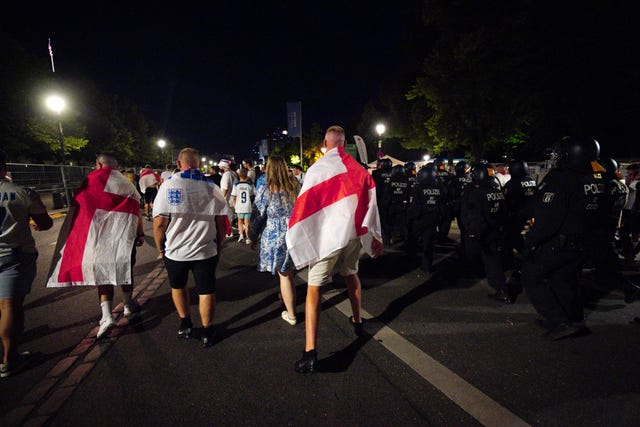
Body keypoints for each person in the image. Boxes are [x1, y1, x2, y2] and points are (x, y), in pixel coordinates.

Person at [286, 125, 383, 374]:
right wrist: (374, 235)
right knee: (351, 274)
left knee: (314, 287)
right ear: (344, 143)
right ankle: (358, 320)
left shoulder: (317, 169)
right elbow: (370, 203)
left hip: (328, 238)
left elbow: (307, 205)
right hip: (351, 235)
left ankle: (310, 352)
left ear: (325, 143)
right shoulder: (359, 170)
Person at [48, 153, 144, 339]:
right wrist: (140, 234)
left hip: (97, 239)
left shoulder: (87, 183)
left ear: (98, 164)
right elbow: (135, 214)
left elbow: (78, 212)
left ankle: (107, 315)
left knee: (102, 275)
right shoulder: (126, 184)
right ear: (116, 165)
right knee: (125, 268)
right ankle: (128, 305)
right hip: (122, 237)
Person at [521, 136, 606, 340]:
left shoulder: (561, 178)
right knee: (564, 281)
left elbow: (548, 219)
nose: (558, 156)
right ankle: (573, 319)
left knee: (531, 275)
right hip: (582, 241)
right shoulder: (598, 177)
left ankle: (558, 321)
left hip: (558, 242)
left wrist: (530, 242)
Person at [153, 148, 228, 348]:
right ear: (198, 164)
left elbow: (160, 222)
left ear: (179, 164)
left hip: (176, 250)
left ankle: (185, 323)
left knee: (178, 287)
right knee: (206, 290)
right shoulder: (212, 187)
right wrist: (219, 245)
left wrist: (161, 248)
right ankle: (207, 331)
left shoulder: (169, 185)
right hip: (205, 249)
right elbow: (221, 222)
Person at [0, 150, 52, 378]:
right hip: (14, 254)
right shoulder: (22, 192)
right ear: (4, 168)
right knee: (10, 306)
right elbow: (45, 222)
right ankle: (10, 358)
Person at [248, 155, 301, 325]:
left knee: (284, 274)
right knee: (286, 271)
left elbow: (258, 215)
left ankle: (291, 314)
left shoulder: (266, 188)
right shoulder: (295, 185)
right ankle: (284, 296)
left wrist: (252, 236)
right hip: (293, 231)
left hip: (275, 233)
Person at [460, 162, 509, 302]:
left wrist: (472, 232)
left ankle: (501, 289)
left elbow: (474, 215)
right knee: (492, 259)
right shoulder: (496, 190)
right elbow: (503, 212)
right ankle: (500, 286)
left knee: (488, 260)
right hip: (495, 230)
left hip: (482, 232)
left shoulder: (477, 192)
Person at [407, 166, 443, 274]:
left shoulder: (418, 188)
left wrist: (411, 217)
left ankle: (411, 262)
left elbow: (414, 205)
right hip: (432, 220)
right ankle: (427, 266)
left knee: (412, 240)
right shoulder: (438, 188)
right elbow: (441, 203)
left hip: (419, 220)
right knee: (428, 245)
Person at [231, 168, 256, 244]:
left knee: (240, 221)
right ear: (246, 175)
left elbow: (234, 197)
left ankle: (241, 235)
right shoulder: (250, 185)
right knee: (247, 222)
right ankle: (248, 238)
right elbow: (253, 195)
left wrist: (236, 205)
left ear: (239, 175)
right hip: (247, 206)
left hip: (239, 206)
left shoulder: (236, 185)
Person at [219, 159, 239, 237]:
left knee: (228, 216)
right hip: (234, 197)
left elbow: (225, 188)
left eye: (220, 165)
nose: (219, 166)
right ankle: (233, 231)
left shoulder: (226, 175)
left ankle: (229, 232)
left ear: (223, 166)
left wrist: (221, 198)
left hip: (228, 198)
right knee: (233, 215)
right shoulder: (233, 173)